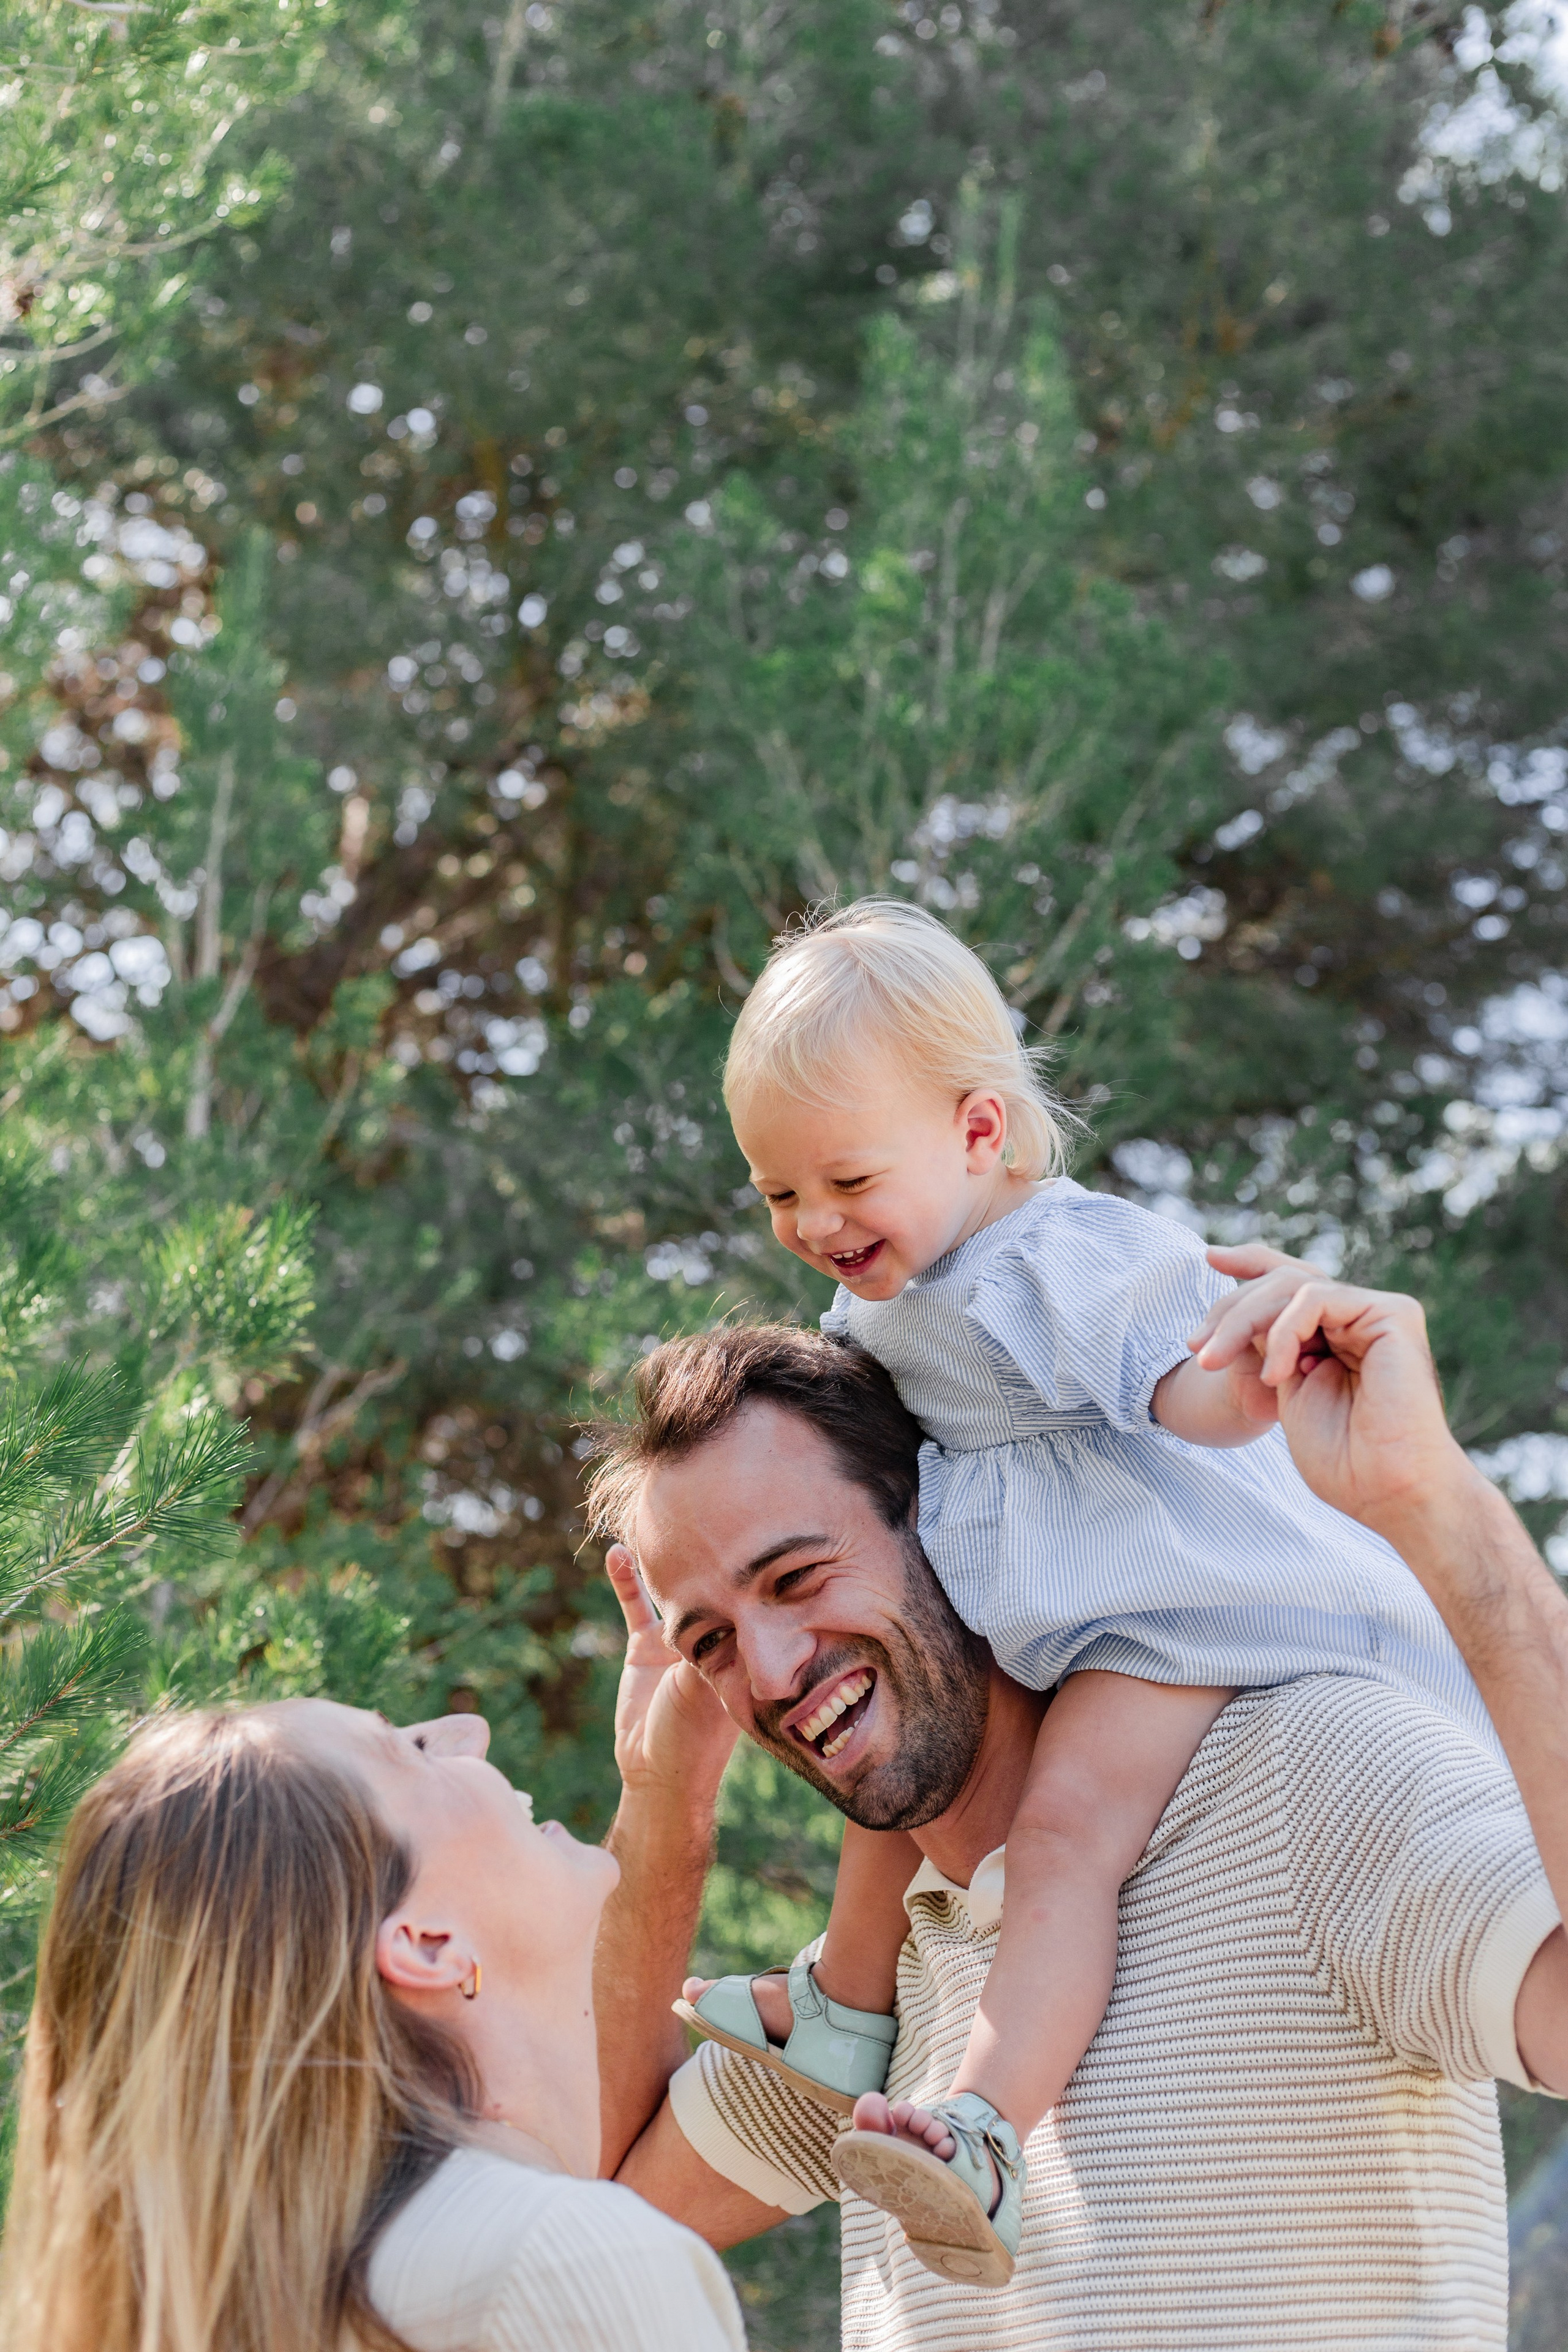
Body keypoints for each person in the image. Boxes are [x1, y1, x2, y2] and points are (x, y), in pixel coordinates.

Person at [681, 895, 1494, 2281]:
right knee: (901, 1764)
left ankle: (986, 2126)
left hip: (1163, 1609)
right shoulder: (874, 1289)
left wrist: (1255, 1368)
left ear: (978, 1132)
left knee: (1062, 1839)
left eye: (842, 1180)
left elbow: (1187, 1399)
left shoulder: (1061, 1252)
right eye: (776, 1194)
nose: (813, 1220)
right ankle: (842, 1998)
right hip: (1031, 1603)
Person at [587, 1260, 1568, 2349]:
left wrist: (1442, 1514)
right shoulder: (860, 2002)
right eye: (711, 1642)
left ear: (949, 1518)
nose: (767, 1674)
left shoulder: (1309, 1776)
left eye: (799, 1578)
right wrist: (663, 1805)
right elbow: (593, 2228)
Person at [0, 1695, 744, 2352]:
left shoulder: (298, 2296)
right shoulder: (571, 2264)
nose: (469, 1731)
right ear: (426, 1943)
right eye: (408, 1750)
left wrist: (666, 1789)